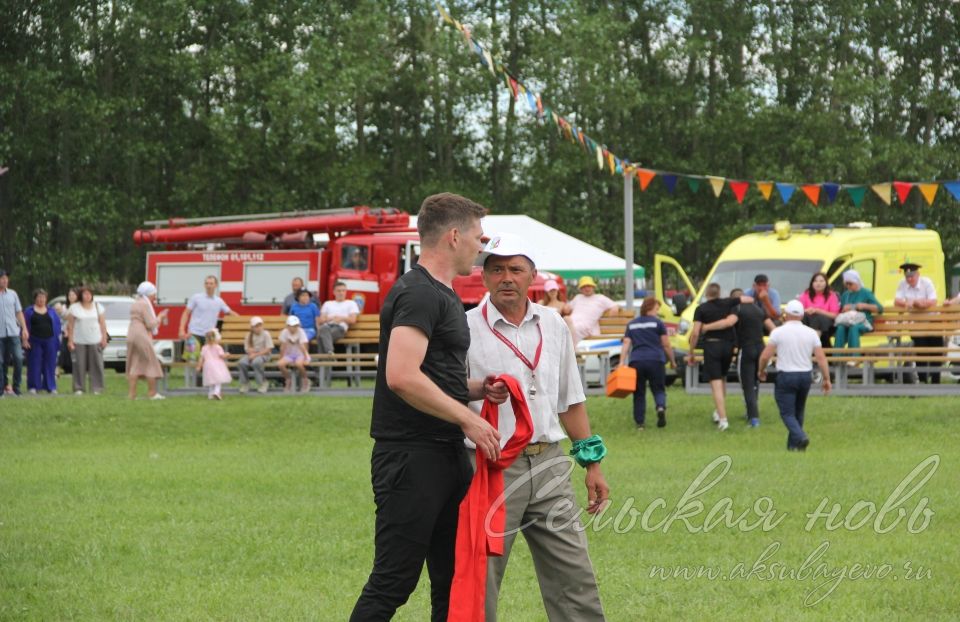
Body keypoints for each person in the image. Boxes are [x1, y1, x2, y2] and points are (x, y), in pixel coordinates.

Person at [351, 192, 504, 622]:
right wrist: (466, 420)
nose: (483, 245)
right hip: (411, 457)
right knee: (394, 581)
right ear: (454, 236)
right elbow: (401, 375)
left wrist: (477, 390)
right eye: (478, 235)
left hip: (445, 452)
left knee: (452, 581)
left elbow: (432, 373)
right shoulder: (418, 293)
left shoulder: (445, 294)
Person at [465, 233, 608, 621]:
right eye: (496, 269)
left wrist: (591, 463)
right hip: (491, 468)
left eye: (515, 269)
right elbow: (445, 392)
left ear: (533, 276)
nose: (506, 277)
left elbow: (570, 400)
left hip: (550, 464)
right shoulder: (464, 328)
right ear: (483, 276)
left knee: (573, 575)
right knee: (482, 575)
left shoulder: (554, 325)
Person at [758, 300, 832, 451]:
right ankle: (794, 447)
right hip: (805, 375)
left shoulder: (778, 332)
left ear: (786, 315)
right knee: (799, 411)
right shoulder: (811, 333)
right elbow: (821, 358)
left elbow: (765, 356)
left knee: (787, 413)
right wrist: (826, 378)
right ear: (802, 315)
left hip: (786, 375)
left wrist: (761, 370)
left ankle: (800, 437)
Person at [700, 288, 774, 428]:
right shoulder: (758, 309)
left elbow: (728, 323)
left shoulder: (737, 309)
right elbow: (773, 328)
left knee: (747, 385)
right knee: (755, 381)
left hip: (746, 349)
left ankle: (754, 419)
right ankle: (751, 411)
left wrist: (707, 327)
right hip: (760, 348)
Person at [686, 284, 752, 431]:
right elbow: (747, 299)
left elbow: (696, 332)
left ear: (707, 294)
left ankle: (723, 419)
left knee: (715, 382)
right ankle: (718, 411)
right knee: (722, 378)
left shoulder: (701, 309)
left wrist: (691, 352)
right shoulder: (728, 303)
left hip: (712, 346)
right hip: (728, 346)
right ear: (719, 293)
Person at [620, 296, 676, 430]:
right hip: (656, 360)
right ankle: (660, 407)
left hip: (637, 361)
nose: (657, 311)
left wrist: (622, 362)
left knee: (639, 392)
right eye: (657, 308)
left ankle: (640, 423)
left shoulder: (632, 324)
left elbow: (626, 343)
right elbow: (666, 344)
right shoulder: (658, 323)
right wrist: (673, 361)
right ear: (650, 308)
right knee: (658, 389)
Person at [893, 262, 940, 384]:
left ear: (918, 274)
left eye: (912, 276)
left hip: (933, 322)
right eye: (907, 276)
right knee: (921, 351)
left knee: (936, 352)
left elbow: (933, 301)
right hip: (916, 324)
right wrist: (909, 303)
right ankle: (923, 380)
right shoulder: (902, 284)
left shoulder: (926, 282)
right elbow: (897, 301)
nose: (909, 279)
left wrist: (919, 303)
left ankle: (936, 381)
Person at [126, 282, 169, 400]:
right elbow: (150, 324)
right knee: (150, 362)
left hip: (131, 333)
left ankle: (132, 394)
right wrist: (160, 317)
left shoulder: (135, 303)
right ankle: (152, 393)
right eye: (153, 294)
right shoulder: (145, 304)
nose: (154, 297)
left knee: (134, 364)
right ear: (149, 293)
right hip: (141, 334)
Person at [67, 287, 108, 395]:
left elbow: (102, 324)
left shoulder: (98, 306)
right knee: (79, 365)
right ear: (81, 295)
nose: (87, 296)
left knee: (96, 365)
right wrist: (70, 341)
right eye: (85, 294)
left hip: (95, 340)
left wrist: (104, 338)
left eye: (89, 294)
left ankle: (97, 388)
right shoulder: (74, 308)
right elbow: (70, 326)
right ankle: (79, 388)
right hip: (79, 340)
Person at [178, 275, 237, 347]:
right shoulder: (196, 297)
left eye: (211, 283)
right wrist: (181, 329)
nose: (208, 286)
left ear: (216, 285)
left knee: (208, 358)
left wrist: (243, 320)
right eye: (207, 283)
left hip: (209, 336)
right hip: (194, 333)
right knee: (192, 358)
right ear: (204, 285)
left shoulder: (219, 301)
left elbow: (230, 312)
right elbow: (186, 313)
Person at [24, 289, 61, 394]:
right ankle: (33, 387)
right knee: (34, 364)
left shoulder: (51, 311)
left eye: (43, 297)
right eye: (39, 297)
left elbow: (57, 325)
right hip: (34, 341)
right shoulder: (28, 311)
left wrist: (57, 339)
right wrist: (24, 339)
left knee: (50, 364)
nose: (41, 299)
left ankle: (51, 387)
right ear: (35, 298)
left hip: (50, 341)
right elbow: (24, 327)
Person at [834, 270, 882, 350]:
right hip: (848, 321)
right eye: (846, 284)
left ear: (856, 282)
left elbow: (880, 309)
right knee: (840, 328)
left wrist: (864, 306)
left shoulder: (866, 292)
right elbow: (841, 309)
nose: (848, 286)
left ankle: (854, 357)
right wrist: (844, 309)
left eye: (850, 284)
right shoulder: (846, 294)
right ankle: (837, 357)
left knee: (854, 328)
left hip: (864, 322)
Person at [0, 268, 28, 396]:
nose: (5, 280)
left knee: (18, 358)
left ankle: (17, 387)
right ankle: (2, 387)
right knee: (1, 362)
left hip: (13, 332)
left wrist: (24, 328)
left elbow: (18, 312)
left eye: (6, 278)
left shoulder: (13, 294)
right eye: (2, 278)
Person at [568, 276, 619, 343]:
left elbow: (615, 305)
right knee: (565, 326)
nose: (587, 288)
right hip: (573, 323)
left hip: (585, 327)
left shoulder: (600, 298)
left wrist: (615, 308)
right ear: (580, 289)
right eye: (584, 287)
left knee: (573, 328)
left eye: (589, 286)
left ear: (593, 287)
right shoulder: (578, 297)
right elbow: (567, 308)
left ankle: (572, 350)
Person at [317, 281, 360, 354]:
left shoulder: (351, 303)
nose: (341, 293)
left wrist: (341, 318)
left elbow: (353, 320)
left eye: (343, 290)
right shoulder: (327, 304)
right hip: (327, 327)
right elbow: (321, 320)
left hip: (340, 328)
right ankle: (329, 352)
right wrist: (330, 318)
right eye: (339, 291)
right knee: (323, 330)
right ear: (334, 292)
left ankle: (325, 359)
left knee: (321, 336)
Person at [798, 272, 840, 348]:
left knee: (818, 318)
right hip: (808, 321)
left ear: (826, 283)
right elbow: (799, 311)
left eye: (821, 281)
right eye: (816, 281)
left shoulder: (831, 295)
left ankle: (814, 345)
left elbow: (835, 315)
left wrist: (818, 311)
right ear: (812, 283)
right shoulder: (805, 294)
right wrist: (807, 310)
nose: (818, 283)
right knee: (805, 317)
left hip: (826, 323)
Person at [237, 316, 273, 393]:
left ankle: (262, 383)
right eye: (256, 326)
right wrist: (251, 353)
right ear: (252, 328)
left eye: (260, 326)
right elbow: (247, 348)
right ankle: (245, 383)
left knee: (256, 362)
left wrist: (255, 354)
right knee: (242, 362)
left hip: (264, 355)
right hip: (252, 355)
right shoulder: (248, 335)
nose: (258, 328)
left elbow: (268, 349)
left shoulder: (266, 334)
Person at [277, 315, 311, 393]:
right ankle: (288, 380)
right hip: (289, 354)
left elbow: (304, 346)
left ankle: (305, 380)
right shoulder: (284, 332)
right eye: (292, 326)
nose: (294, 328)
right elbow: (282, 347)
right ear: (288, 326)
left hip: (300, 354)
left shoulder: (301, 332)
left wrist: (306, 358)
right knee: (280, 364)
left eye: (296, 326)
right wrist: (281, 357)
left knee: (299, 364)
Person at [197, 328, 231, 400]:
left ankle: (210, 394)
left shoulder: (204, 348)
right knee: (218, 380)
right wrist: (227, 354)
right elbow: (221, 356)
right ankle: (216, 392)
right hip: (217, 365)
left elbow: (201, 358)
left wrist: (199, 366)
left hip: (208, 366)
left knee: (211, 380)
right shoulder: (218, 347)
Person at [55, 288, 79, 376]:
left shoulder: (79, 307)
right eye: (70, 295)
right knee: (63, 351)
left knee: (76, 352)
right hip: (66, 332)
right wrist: (59, 309)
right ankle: (57, 369)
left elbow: (71, 317)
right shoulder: (65, 307)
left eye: (73, 295)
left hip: (77, 332)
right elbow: (62, 317)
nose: (71, 297)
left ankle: (75, 369)